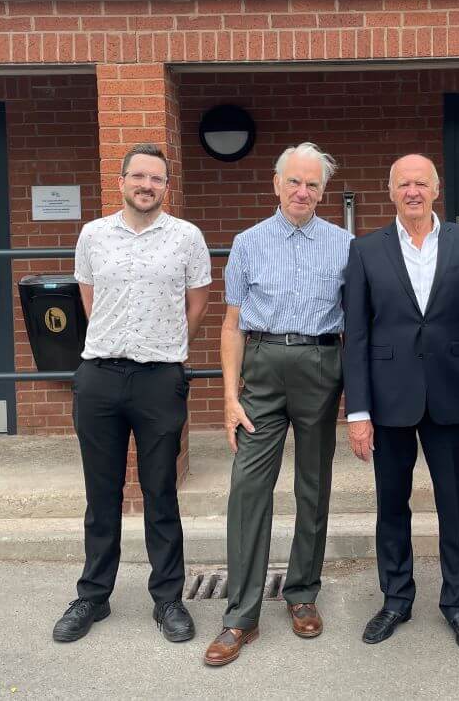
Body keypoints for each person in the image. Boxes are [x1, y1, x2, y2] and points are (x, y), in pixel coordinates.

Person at [53, 143, 211, 645]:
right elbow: (90, 298)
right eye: (138, 177)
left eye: (157, 179)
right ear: (121, 181)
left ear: (167, 186)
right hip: (99, 375)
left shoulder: (186, 237)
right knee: (101, 495)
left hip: (159, 379)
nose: (147, 185)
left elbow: (198, 301)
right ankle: (93, 595)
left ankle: (168, 599)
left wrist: (164, 345)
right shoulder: (93, 235)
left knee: (161, 491)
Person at [204, 142, 352, 667]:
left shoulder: (343, 244)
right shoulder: (247, 243)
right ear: (276, 184)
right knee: (248, 488)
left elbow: (355, 324)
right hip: (262, 369)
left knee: (313, 485)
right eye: (294, 181)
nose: (303, 192)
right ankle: (239, 616)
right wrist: (228, 397)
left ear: (323, 191)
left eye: (313, 184)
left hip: (319, 364)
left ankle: (302, 592)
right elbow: (231, 325)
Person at [342, 154, 459, 654]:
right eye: (403, 183)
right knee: (391, 506)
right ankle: (396, 599)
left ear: (436, 189)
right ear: (390, 192)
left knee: (455, 506)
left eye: (420, 183)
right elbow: (357, 334)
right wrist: (358, 412)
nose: (412, 191)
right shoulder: (365, 250)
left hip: (454, 395)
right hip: (389, 400)